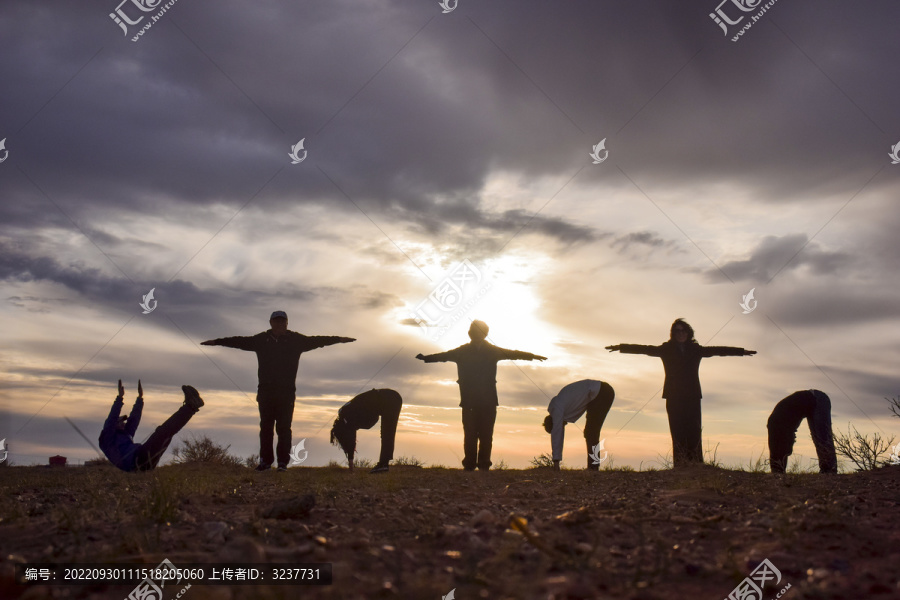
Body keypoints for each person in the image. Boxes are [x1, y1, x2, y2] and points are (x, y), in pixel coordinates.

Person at [201, 310, 355, 472]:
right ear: (271, 323)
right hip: (265, 391)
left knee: (284, 428)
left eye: (282, 321)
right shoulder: (261, 340)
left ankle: (282, 463)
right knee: (266, 427)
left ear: (287, 323)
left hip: (286, 392)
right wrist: (216, 341)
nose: (280, 324)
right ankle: (265, 462)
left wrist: (339, 339)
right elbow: (238, 341)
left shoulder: (296, 340)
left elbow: (318, 341)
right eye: (277, 321)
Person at [605, 318, 755, 467]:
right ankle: (680, 464)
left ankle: (696, 463)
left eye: (683, 330)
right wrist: (620, 347)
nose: (680, 333)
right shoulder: (665, 349)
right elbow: (645, 349)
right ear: (673, 334)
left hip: (692, 395)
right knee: (677, 429)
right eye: (677, 331)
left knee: (694, 430)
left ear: (688, 333)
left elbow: (719, 350)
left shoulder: (696, 350)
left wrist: (742, 352)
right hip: (673, 395)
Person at [416, 320, 546, 471]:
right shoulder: (462, 351)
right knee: (470, 433)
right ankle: (470, 464)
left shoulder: (492, 351)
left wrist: (532, 356)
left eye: (478, 332)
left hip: (488, 401)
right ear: (471, 334)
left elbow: (513, 354)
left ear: (483, 334)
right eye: (474, 332)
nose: (476, 334)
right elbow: (443, 356)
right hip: (470, 400)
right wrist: (426, 358)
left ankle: (484, 464)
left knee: (485, 434)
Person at [99, 379, 204, 472]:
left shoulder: (125, 434)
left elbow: (134, 419)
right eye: (121, 422)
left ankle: (192, 407)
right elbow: (111, 419)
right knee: (162, 432)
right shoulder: (107, 439)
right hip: (137, 461)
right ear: (114, 426)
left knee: (166, 434)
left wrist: (140, 399)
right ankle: (191, 406)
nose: (124, 423)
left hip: (143, 462)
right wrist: (119, 398)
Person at [543, 380, 615, 471]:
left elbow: (557, 434)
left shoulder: (557, 410)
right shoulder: (559, 404)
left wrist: (556, 461)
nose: (564, 426)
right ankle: (593, 466)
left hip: (601, 392)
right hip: (600, 393)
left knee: (591, 432)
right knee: (590, 432)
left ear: (554, 422)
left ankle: (593, 468)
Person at [329, 389, 403, 474]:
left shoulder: (346, 416)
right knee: (387, 433)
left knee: (387, 433)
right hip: (391, 398)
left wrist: (350, 462)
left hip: (390, 399)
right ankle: (383, 464)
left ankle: (383, 465)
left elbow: (351, 438)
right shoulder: (345, 414)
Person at [767, 390, 837, 474]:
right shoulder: (777, 424)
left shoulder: (779, 424)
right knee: (820, 437)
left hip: (818, 399)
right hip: (811, 400)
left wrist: (778, 470)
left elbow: (786, 448)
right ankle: (828, 470)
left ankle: (829, 470)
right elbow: (782, 449)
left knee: (822, 437)